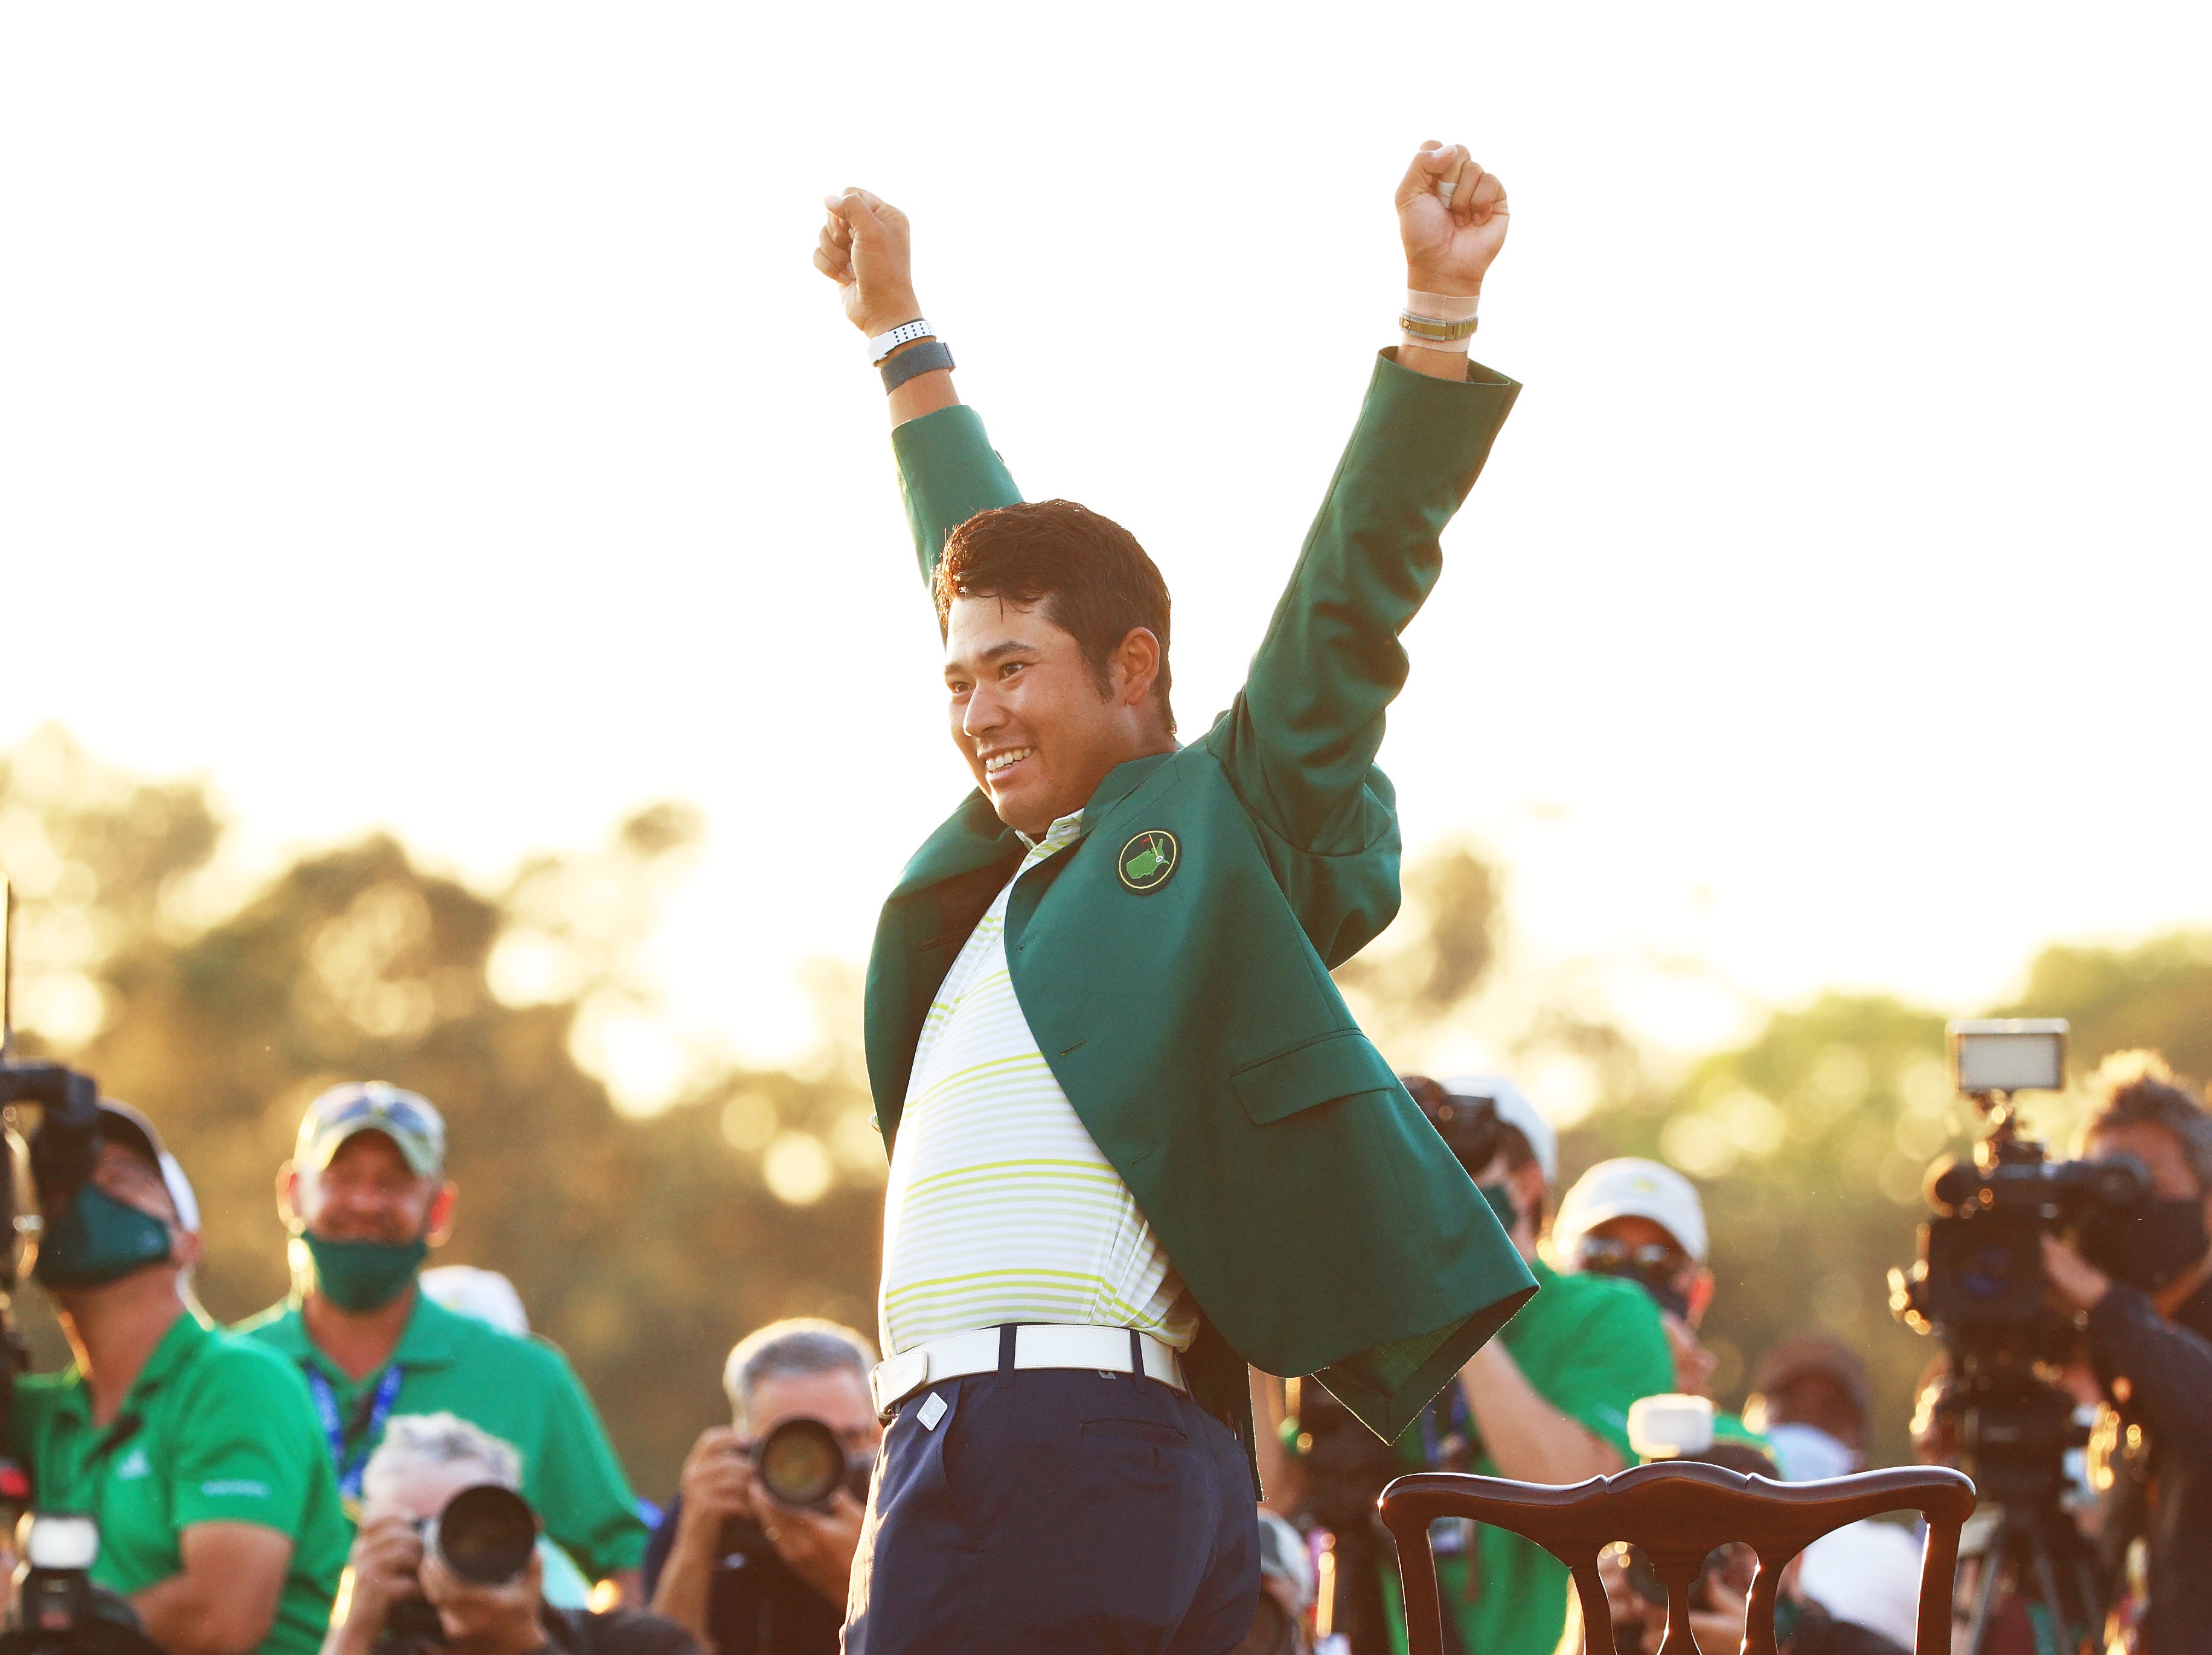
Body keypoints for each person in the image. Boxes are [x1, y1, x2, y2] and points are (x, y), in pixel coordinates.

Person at [811, 140, 1537, 1653]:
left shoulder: (1213, 821)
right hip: (937, 1436)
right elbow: (975, 559)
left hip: (1081, 1440)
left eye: (1013, 672)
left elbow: (1348, 604)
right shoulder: (1008, 878)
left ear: (1134, 670)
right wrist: (900, 339)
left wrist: (1433, 319)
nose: (977, 710)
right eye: (957, 680)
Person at [235, 1081, 648, 1596]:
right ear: (292, 1192)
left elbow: (624, 1562)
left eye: (394, 1183)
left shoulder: (525, 1378)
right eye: (341, 1178)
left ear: (439, 1209)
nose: (366, 1202)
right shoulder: (227, 1374)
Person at [11, 1100, 351, 1655]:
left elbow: (221, 1616)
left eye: (123, 1177)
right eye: (61, 1187)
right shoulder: (42, 1414)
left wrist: (27, 1622)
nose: (85, 1196)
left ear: (186, 1240)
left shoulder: (237, 1381)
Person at [1372, 1077, 1674, 1655]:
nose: (1433, 1189)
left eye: (1459, 1164)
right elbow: (1271, 1495)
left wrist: (1454, 1299)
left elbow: (1581, 1493)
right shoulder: (1372, 1322)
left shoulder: (1608, 1312)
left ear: (1529, 1184)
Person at [2038, 1051, 2212, 1655]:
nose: (2122, 1211)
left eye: (2142, 1183)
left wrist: (2105, 1302)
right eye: (2104, 1186)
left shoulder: (2132, 1332)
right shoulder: (2120, 1345)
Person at [323, 1412, 697, 1655]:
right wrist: (351, 1631)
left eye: (473, 1526)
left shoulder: (640, 1645)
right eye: (420, 1532)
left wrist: (524, 1645)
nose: (450, 1550)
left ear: (526, 1531)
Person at [644, 1320, 881, 1655]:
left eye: (845, 1440)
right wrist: (695, 1546)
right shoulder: (714, 1507)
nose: (818, 1465)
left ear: (879, 1436)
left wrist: (863, 1579)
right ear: (742, 1442)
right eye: (793, 1444)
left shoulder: (911, 1511)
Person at [1745, 1337, 1922, 1651]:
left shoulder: (1894, 1553)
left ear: (1861, 1456)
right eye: (1787, 1413)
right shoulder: (1715, 1547)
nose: (1806, 1430)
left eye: (1830, 1416)